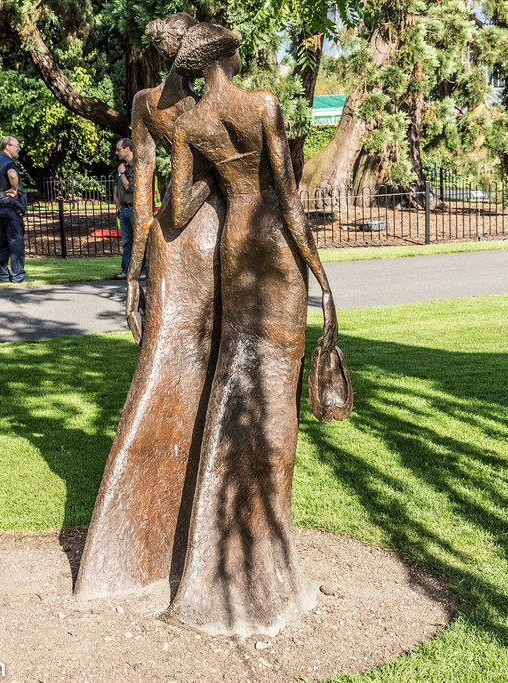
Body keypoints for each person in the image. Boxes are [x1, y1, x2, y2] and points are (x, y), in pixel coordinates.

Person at [159, 22, 343, 636]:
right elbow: (289, 198)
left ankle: (231, 529)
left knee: (239, 372)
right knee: (274, 384)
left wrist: (210, 176)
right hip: (273, 246)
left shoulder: (188, 125)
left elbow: (177, 210)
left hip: (235, 247)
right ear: (227, 57)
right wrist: (320, 273)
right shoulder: (262, 104)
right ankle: (268, 534)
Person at [74, 12, 225, 602]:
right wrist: (135, 272)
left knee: (190, 358)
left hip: (177, 233)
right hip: (194, 231)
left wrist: (136, 265)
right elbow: (148, 179)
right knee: (174, 359)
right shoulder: (197, 106)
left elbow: (145, 184)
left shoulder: (150, 103)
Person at [0, 136, 26, 283]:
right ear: (7, 147)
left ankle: (3, 276)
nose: (19, 148)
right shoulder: (9, 162)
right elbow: (12, 174)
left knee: (1, 243)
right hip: (10, 206)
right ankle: (18, 277)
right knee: (16, 242)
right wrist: (15, 189)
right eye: (17, 145)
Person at [113, 138, 136, 279]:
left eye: (118, 149)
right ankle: (125, 270)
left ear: (127, 149)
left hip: (134, 209)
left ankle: (142, 271)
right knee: (127, 242)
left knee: (138, 241)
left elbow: (130, 187)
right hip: (123, 210)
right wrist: (116, 201)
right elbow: (117, 187)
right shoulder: (121, 167)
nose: (116, 152)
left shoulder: (135, 167)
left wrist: (122, 174)